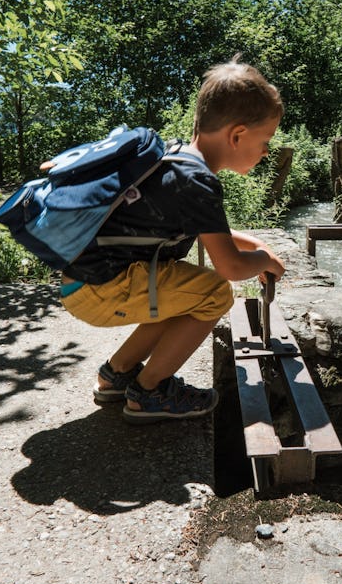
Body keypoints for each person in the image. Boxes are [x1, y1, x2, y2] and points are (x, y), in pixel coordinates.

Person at [59, 58, 286, 424]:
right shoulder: (199, 182)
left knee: (184, 293)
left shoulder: (177, 158)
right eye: (265, 142)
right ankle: (149, 392)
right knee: (214, 293)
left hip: (83, 283)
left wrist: (253, 245)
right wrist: (261, 259)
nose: (265, 152)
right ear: (237, 135)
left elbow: (208, 234)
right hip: (102, 289)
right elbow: (228, 267)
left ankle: (116, 374)